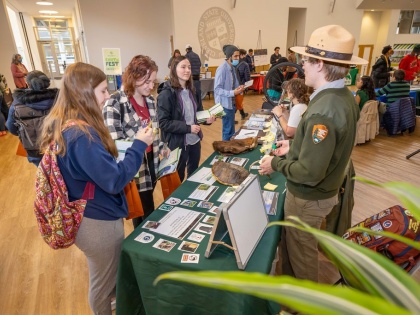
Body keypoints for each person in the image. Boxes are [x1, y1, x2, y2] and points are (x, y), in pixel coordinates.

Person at [38, 62, 154, 315]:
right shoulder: (81, 135)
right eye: (102, 91)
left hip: (92, 214)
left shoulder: (70, 125)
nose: (107, 96)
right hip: (96, 222)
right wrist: (138, 145)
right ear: (85, 93)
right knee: (102, 285)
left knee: (107, 276)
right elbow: (114, 180)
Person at [259, 25, 367, 284]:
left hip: (309, 197)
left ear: (319, 64)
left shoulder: (324, 109)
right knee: (293, 246)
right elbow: (322, 148)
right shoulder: (342, 96)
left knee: (302, 254)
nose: (301, 65)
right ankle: (291, 297)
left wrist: (275, 162)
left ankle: (307, 303)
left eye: (305, 60)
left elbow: (310, 171)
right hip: (323, 192)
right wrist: (293, 149)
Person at [103, 55, 167, 228]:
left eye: (153, 82)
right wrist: (138, 141)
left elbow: (153, 132)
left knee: (146, 209)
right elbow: (114, 145)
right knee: (142, 214)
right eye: (146, 81)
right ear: (133, 77)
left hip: (151, 163)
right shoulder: (115, 102)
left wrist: (160, 146)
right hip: (133, 169)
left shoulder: (151, 100)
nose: (151, 86)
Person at [157, 56, 215, 182]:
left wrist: (206, 120)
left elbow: (198, 113)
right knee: (178, 176)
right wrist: (188, 128)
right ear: (174, 69)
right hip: (177, 143)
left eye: (189, 67)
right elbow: (163, 123)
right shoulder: (166, 94)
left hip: (194, 141)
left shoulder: (193, 90)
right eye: (183, 67)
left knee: (194, 174)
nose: (187, 70)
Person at [6, 70, 58, 165]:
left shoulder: (16, 105)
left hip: (34, 149)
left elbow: (11, 128)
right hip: (58, 146)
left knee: (42, 174)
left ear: (28, 83)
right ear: (46, 82)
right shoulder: (59, 100)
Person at [214, 44, 245, 141]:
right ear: (229, 57)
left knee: (231, 131)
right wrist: (233, 93)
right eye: (235, 56)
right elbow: (217, 89)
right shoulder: (222, 69)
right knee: (228, 131)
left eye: (238, 56)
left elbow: (235, 84)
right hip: (225, 104)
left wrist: (239, 88)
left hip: (232, 103)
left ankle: (230, 149)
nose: (237, 58)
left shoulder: (232, 68)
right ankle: (226, 150)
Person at [185, 44, 202, 110]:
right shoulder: (196, 55)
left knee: (192, 95)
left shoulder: (186, 56)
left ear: (186, 50)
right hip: (197, 78)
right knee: (198, 95)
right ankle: (200, 109)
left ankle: (194, 110)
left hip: (191, 79)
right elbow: (200, 64)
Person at [236, 49, 251, 120]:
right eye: (244, 55)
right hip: (241, 85)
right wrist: (247, 85)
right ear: (242, 55)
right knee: (238, 101)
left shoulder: (233, 63)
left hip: (234, 86)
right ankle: (232, 118)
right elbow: (247, 76)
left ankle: (243, 114)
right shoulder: (245, 64)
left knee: (237, 101)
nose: (245, 56)